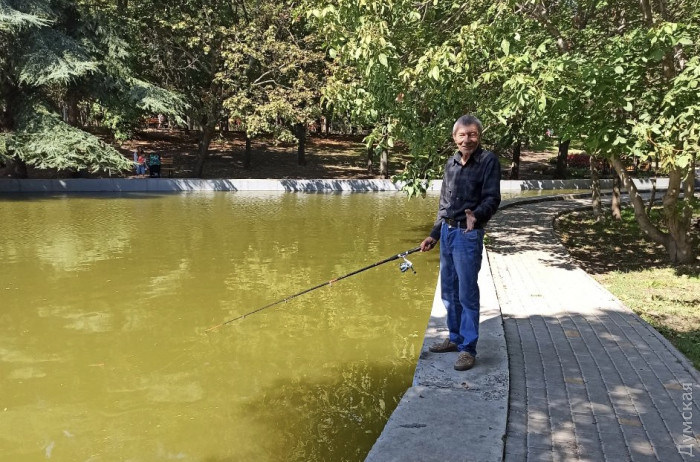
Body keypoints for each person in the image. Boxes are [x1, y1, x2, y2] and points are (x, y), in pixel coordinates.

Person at [419, 114, 501, 371]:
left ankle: (468, 348)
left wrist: (475, 216)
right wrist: (434, 233)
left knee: (467, 292)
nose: (467, 139)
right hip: (447, 232)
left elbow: (492, 198)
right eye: (462, 135)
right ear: (455, 138)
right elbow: (444, 204)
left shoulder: (488, 161)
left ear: (479, 135)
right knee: (449, 290)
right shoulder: (451, 164)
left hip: (468, 234)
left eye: (472, 134)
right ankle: (454, 338)